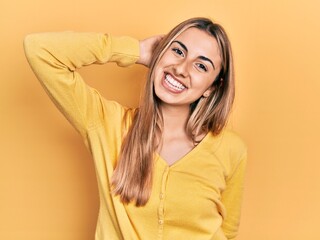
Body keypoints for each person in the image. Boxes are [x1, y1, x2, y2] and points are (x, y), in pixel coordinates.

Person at [24, 17, 247, 240]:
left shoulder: (231, 149)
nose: (181, 68)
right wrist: (137, 51)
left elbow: (228, 232)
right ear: (160, 52)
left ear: (212, 87)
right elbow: (40, 50)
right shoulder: (105, 124)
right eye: (178, 51)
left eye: (201, 65)